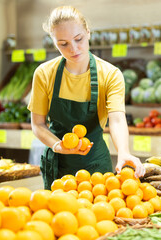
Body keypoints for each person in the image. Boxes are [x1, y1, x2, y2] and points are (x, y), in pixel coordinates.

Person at [28, 6, 145, 190]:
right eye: (63, 44)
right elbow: (38, 124)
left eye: (78, 39)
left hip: (96, 167)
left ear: (88, 33)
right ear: (54, 42)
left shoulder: (110, 74)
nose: (73, 49)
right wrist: (58, 145)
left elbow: (116, 119)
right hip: (58, 167)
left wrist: (124, 152)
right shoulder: (44, 74)